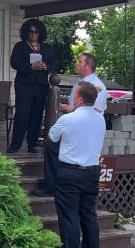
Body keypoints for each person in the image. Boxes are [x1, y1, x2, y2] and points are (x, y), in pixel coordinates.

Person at [34, 52, 107, 196]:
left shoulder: (97, 86)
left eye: (80, 61)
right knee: (52, 146)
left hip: (84, 130)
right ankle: (53, 185)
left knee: (52, 146)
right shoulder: (80, 81)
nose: (76, 63)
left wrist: (72, 109)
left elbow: (95, 110)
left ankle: (52, 187)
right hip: (74, 124)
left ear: (88, 66)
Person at [52, 81, 106, 248]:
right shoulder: (101, 120)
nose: (72, 99)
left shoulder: (67, 118)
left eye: (74, 96)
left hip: (70, 173)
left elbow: (52, 137)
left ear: (80, 99)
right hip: (92, 173)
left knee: (69, 217)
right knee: (89, 214)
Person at [7, 18, 56, 153]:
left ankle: (32, 144)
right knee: (22, 114)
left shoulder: (46, 48)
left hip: (41, 85)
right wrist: (30, 67)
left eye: (36, 32)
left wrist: (45, 66)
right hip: (24, 84)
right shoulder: (20, 46)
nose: (34, 35)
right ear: (26, 32)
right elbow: (14, 63)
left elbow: (53, 64)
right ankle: (15, 144)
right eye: (31, 32)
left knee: (37, 114)